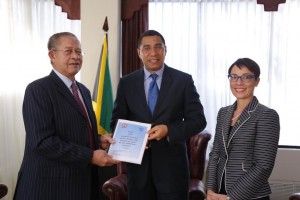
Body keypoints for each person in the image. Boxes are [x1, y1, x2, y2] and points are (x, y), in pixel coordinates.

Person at [13, 32, 119, 200]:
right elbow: (42, 141)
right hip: (49, 187)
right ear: (52, 55)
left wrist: (98, 139)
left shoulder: (83, 91)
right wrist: (90, 155)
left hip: (81, 183)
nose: (75, 56)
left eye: (79, 51)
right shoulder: (38, 89)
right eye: (68, 51)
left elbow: (72, 129)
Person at [110, 29, 207, 200]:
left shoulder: (183, 81)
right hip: (138, 171)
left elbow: (198, 120)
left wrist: (169, 130)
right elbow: (117, 122)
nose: (153, 53)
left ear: (165, 50)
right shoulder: (126, 83)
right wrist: (134, 139)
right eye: (147, 48)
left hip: (172, 171)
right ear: (139, 53)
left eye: (158, 47)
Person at [206, 58, 280, 200]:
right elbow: (215, 153)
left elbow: (263, 166)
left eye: (246, 77)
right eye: (234, 77)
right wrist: (210, 189)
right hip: (219, 192)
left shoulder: (267, 115)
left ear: (257, 81)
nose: (239, 82)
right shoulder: (223, 112)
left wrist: (231, 198)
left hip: (249, 195)